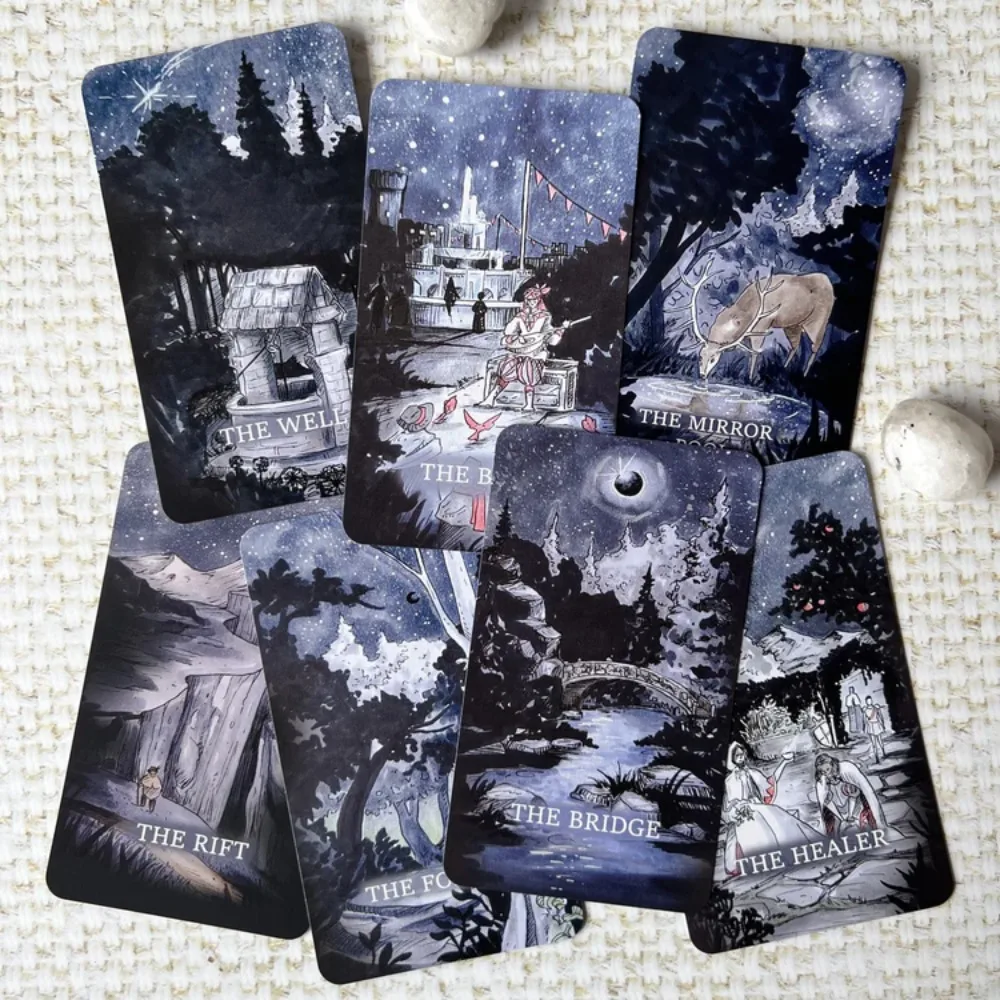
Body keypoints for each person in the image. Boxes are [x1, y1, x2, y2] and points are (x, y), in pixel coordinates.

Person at [721, 743, 821, 876]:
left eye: (742, 754)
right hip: (742, 812)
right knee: (752, 825)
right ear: (732, 758)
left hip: (755, 806)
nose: (741, 758)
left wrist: (784, 762)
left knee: (776, 816)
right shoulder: (729, 780)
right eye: (737, 755)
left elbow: (770, 782)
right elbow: (729, 803)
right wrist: (737, 808)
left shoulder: (752, 772)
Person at [482, 286, 567, 412]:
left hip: (535, 352)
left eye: (535, 300)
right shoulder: (521, 315)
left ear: (538, 300)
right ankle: (491, 398)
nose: (532, 302)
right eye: (530, 300)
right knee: (507, 369)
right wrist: (517, 338)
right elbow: (508, 331)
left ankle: (529, 405)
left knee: (529, 372)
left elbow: (551, 339)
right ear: (526, 300)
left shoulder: (545, 316)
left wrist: (560, 330)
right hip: (520, 349)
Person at [815, 754, 899, 839]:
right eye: (823, 772)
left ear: (832, 765)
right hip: (840, 812)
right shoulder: (821, 783)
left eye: (828, 769)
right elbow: (825, 806)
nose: (827, 774)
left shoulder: (847, 770)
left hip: (856, 807)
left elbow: (866, 791)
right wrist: (840, 819)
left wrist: (878, 820)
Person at [863, 695, 887, 762]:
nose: (869, 702)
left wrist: (882, 724)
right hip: (871, 726)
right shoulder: (865, 710)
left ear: (871, 701)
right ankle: (877, 758)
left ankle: (883, 752)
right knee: (873, 744)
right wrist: (865, 727)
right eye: (868, 701)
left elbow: (880, 716)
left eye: (870, 700)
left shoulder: (876, 708)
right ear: (866, 702)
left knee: (880, 740)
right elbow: (864, 720)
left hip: (877, 725)